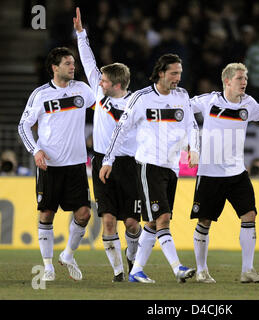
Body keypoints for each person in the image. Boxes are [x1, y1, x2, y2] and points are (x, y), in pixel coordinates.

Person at [99, 53, 200, 284]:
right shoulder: (141, 98)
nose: (178, 78)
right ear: (161, 73)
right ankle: (178, 268)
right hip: (149, 165)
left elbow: (192, 125)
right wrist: (108, 160)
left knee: (153, 223)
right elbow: (120, 130)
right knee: (163, 218)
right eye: (174, 73)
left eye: (180, 73)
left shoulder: (183, 96)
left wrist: (194, 149)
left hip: (172, 167)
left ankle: (136, 271)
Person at [189, 62, 259, 283]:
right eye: (240, 78)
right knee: (204, 221)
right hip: (210, 171)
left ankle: (247, 270)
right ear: (227, 81)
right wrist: (191, 143)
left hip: (236, 171)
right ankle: (202, 270)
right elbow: (183, 110)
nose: (244, 82)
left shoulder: (248, 103)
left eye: (246, 78)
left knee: (249, 215)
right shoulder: (208, 101)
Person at [73, 7, 142, 282]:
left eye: (103, 80)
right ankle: (118, 272)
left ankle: (133, 255)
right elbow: (88, 61)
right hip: (101, 162)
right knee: (109, 221)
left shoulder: (135, 104)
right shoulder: (100, 92)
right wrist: (81, 34)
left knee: (133, 224)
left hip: (130, 165)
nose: (97, 82)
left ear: (115, 84)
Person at [18, 46, 96, 281]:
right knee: (46, 214)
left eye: (73, 63)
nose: (73, 67)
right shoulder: (41, 94)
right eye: (68, 64)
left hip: (75, 165)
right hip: (49, 165)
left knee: (84, 214)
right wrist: (36, 150)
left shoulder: (83, 90)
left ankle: (68, 255)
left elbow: (102, 110)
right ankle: (48, 266)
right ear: (55, 67)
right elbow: (23, 126)